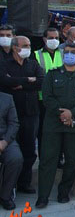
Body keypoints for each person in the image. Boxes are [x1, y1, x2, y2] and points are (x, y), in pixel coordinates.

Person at [36, 43, 75, 208]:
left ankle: (63, 192)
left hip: (74, 124)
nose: (69, 55)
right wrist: (62, 114)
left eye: (72, 52)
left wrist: (71, 113)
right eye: (66, 52)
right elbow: (47, 97)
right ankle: (43, 196)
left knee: (71, 160)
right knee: (48, 160)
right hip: (53, 124)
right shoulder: (52, 74)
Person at [0, 36, 44, 194]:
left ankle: (24, 183)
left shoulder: (33, 64)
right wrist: (28, 80)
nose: (28, 48)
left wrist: (20, 83)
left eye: (29, 45)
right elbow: (5, 81)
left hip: (31, 112)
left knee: (29, 149)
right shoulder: (5, 64)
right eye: (25, 45)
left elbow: (42, 81)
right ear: (15, 47)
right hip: (11, 115)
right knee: (13, 149)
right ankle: (10, 184)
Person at [34, 28, 63, 156]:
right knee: (43, 131)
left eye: (56, 38)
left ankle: (58, 159)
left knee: (59, 131)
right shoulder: (36, 54)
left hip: (61, 99)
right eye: (51, 38)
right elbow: (36, 77)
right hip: (42, 99)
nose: (54, 40)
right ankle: (43, 158)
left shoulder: (64, 53)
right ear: (44, 39)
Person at [0, 91, 21, 209]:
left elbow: (14, 123)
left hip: (5, 139)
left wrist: (4, 142)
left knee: (15, 158)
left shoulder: (7, 99)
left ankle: (5, 196)